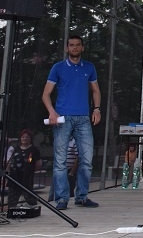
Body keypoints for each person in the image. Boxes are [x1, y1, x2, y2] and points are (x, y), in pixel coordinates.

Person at [42, 35, 102, 210]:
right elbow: (45, 94)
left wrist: (97, 109)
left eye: (77, 45)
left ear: (82, 47)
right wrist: (52, 112)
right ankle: (62, 198)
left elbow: (96, 90)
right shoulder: (58, 67)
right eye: (71, 45)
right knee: (60, 160)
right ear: (67, 48)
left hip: (83, 118)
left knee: (87, 159)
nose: (74, 48)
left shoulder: (89, 67)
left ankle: (82, 196)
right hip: (63, 118)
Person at [6, 129, 42, 208]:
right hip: (14, 176)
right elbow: (11, 161)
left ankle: (32, 209)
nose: (24, 139)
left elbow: (38, 164)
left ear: (30, 139)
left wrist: (31, 170)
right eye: (23, 137)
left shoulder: (34, 150)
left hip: (26, 177)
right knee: (12, 199)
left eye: (27, 137)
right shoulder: (16, 149)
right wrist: (7, 171)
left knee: (29, 197)